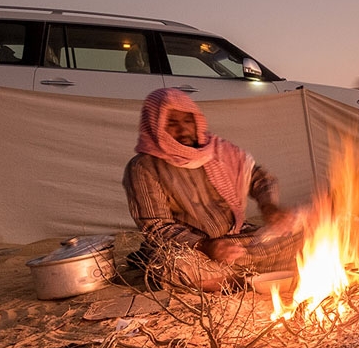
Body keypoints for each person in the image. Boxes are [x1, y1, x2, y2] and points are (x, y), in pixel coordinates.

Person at [123, 88, 300, 291]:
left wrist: (269, 207)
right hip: (193, 250)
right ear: (155, 126)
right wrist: (206, 246)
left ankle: (236, 276)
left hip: (237, 242)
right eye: (171, 123)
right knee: (174, 267)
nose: (183, 130)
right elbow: (157, 227)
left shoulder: (218, 151)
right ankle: (247, 282)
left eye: (187, 121)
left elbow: (259, 178)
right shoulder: (144, 167)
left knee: (306, 232)